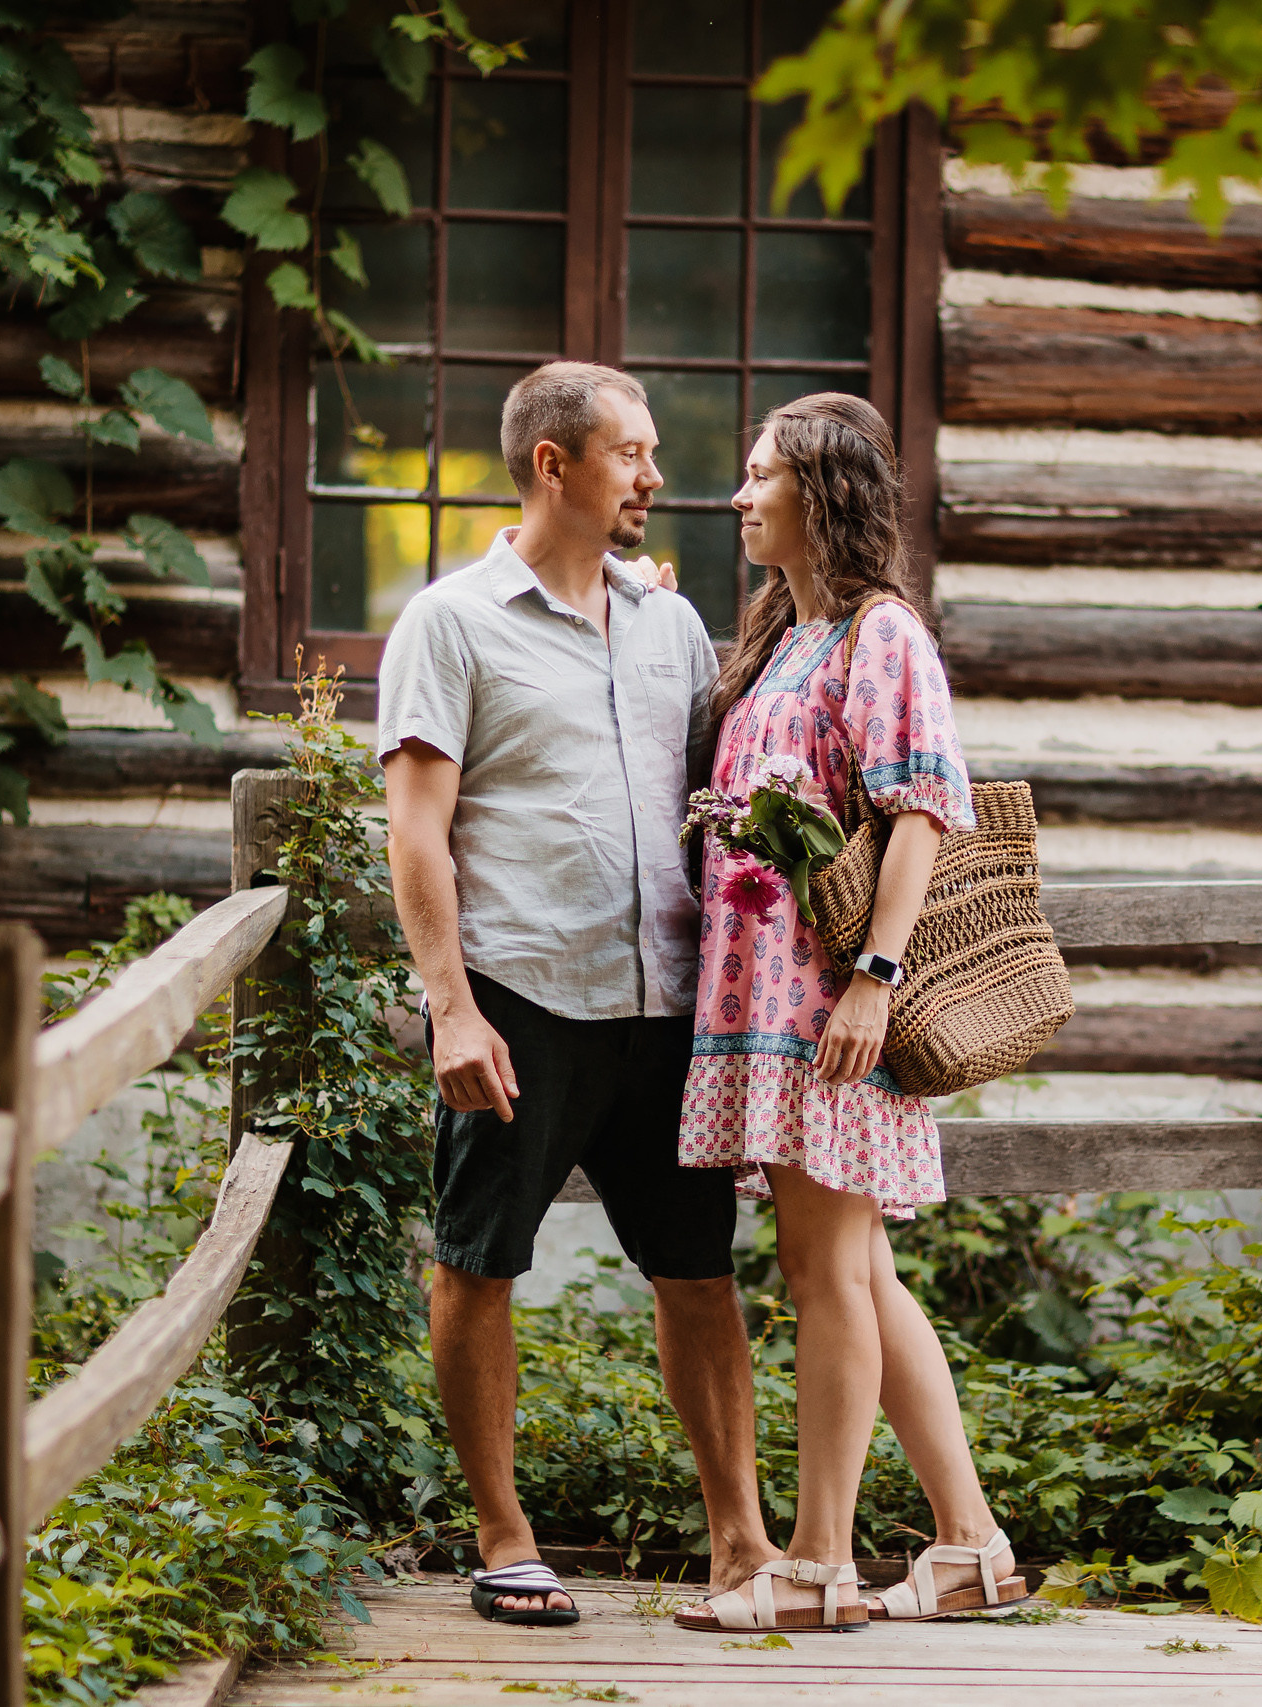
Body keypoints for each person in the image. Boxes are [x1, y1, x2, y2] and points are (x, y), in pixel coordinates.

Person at [377, 362, 777, 1627]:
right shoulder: (449, 623)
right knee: (479, 1262)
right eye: (632, 454)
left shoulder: (671, 625)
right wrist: (451, 1006)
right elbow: (417, 834)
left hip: (668, 1007)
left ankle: (742, 1545)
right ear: (554, 464)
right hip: (524, 995)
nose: (656, 478)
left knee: (699, 1272)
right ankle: (504, 1538)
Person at [670, 394, 1029, 1635]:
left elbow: (921, 809)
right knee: (861, 1271)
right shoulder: (784, 637)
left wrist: (875, 978)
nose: (736, 495)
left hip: (831, 1004)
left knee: (827, 1271)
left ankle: (819, 1563)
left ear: (817, 490)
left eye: (758, 474)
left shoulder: (882, 637)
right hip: (768, 1000)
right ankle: (970, 1544)